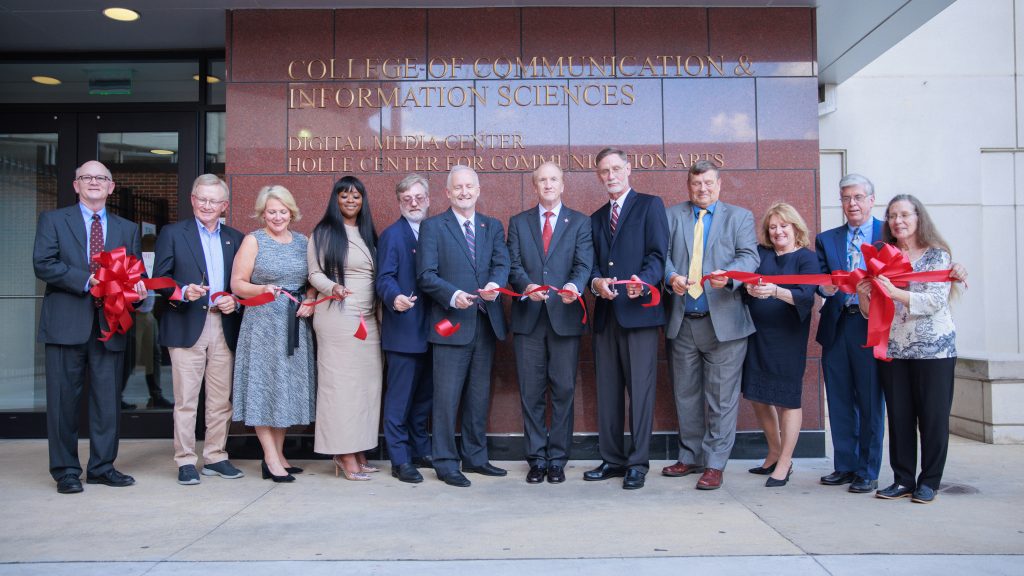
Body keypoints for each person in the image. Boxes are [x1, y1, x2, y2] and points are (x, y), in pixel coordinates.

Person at [33, 160, 147, 494]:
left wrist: (138, 293)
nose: (94, 182)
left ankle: (101, 467)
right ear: (76, 185)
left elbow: (134, 273)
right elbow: (44, 263)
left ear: (111, 187)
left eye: (101, 178)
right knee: (63, 402)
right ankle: (66, 471)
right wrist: (88, 280)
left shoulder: (127, 228)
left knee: (107, 402)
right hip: (66, 324)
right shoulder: (53, 220)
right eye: (87, 177)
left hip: (110, 325)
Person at [662, 160, 759, 491]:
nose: (702, 189)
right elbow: (661, 256)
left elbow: (750, 257)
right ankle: (690, 456)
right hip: (683, 320)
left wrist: (728, 275)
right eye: (696, 184)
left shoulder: (739, 217)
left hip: (725, 325)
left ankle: (715, 463)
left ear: (719, 185)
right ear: (688, 186)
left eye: (708, 184)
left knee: (721, 398)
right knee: (685, 394)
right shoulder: (672, 216)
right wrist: (670, 277)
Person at [857, 194, 958, 504]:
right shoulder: (884, 256)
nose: (897, 221)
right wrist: (866, 293)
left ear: (918, 218)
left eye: (904, 215)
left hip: (934, 351)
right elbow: (869, 312)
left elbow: (934, 301)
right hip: (895, 348)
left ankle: (929, 482)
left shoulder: (937, 256)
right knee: (900, 418)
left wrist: (894, 292)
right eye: (892, 216)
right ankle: (902, 480)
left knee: (932, 417)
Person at [417, 165, 510, 488]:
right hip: (450, 324)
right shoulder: (433, 227)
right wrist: (453, 295)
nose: (464, 192)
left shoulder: (492, 226)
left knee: (478, 396)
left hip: (484, 323)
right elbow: (426, 275)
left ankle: (475, 457)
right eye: (458, 187)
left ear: (478, 189)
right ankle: (444, 460)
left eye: (469, 186)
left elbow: (502, 262)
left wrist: (496, 284)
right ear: (447, 193)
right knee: (446, 398)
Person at [584, 148, 668, 490]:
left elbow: (658, 255)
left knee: (641, 391)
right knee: (608, 391)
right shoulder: (595, 217)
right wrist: (595, 282)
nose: (610, 175)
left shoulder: (650, 205)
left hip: (640, 315)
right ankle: (613, 459)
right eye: (604, 171)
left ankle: (637, 462)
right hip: (606, 315)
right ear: (599, 176)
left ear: (628, 169)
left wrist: (644, 281)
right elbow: (591, 264)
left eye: (616, 168)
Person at [154, 174, 245, 485]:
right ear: (192, 200)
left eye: (214, 201)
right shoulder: (172, 233)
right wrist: (181, 292)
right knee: (186, 399)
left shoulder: (236, 237)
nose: (207, 205)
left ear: (225, 206)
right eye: (202, 199)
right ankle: (185, 460)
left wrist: (236, 300)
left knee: (221, 399)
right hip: (186, 323)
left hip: (224, 324)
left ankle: (216, 456)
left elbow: (241, 284)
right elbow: (161, 278)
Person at [507, 162, 593, 484]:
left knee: (563, 390)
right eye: (542, 180)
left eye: (553, 179)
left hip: (565, 317)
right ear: (534, 186)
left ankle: (557, 459)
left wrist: (574, 286)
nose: (548, 184)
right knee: (530, 392)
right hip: (529, 318)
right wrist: (525, 286)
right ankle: (536, 458)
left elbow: (584, 264)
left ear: (562, 185)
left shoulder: (580, 223)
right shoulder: (518, 223)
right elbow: (513, 265)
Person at [231, 185, 316, 483]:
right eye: (271, 212)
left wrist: (309, 298)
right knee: (263, 389)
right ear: (262, 214)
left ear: (291, 212)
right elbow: (238, 283)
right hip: (263, 325)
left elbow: (311, 279)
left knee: (283, 390)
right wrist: (262, 289)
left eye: (282, 211)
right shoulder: (254, 241)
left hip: (294, 325)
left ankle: (279, 455)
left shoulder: (302, 241)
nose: (277, 217)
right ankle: (269, 456)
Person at [815, 173, 885, 494]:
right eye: (846, 198)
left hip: (873, 325)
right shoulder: (826, 239)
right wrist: (824, 287)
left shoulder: (888, 234)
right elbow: (818, 279)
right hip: (837, 324)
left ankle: (867, 470)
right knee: (840, 398)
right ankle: (844, 465)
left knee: (870, 400)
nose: (852, 203)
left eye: (858, 197)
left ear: (871, 200)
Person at [308, 176, 382, 481]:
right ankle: (342, 453)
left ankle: (359, 448)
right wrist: (333, 287)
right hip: (338, 316)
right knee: (341, 389)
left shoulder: (368, 234)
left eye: (356, 196)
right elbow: (313, 272)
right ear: (335, 199)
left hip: (368, 318)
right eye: (344, 195)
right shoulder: (324, 232)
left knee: (366, 387)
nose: (351, 201)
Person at [740, 203, 818, 487]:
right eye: (772, 227)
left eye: (783, 225)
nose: (778, 232)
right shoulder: (761, 254)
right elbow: (746, 281)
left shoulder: (807, 259)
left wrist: (774, 290)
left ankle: (785, 461)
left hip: (787, 338)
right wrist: (748, 288)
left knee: (787, 399)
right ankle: (773, 452)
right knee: (758, 394)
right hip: (757, 334)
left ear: (795, 227)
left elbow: (807, 296)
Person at [377, 174, 434, 484]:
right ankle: (400, 459)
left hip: (434, 332)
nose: (414, 203)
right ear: (399, 202)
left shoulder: (437, 229)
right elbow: (383, 277)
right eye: (407, 199)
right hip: (404, 332)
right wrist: (394, 296)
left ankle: (419, 449)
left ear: (429, 198)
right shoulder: (392, 235)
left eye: (419, 197)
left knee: (424, 399)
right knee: (399, 401)